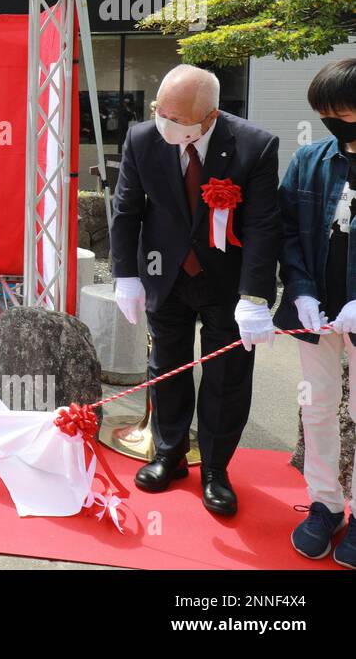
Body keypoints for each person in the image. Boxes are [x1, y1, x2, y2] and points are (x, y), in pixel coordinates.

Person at [110, 64, 281, 517]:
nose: (165, 123)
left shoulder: (255, 146)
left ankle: (216, 469)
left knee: (226, 376)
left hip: (227, 282)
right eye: (160, 112)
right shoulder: (142, 138)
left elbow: (263, 225)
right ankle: (168, 453)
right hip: (165, 273)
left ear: (210, 117)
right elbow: (126, 209)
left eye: (178, 119)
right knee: (167, 366)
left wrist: (255, 296)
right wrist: (125, 275)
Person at [273, 59, 356, 567]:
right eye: (324, 114)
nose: (332, 122)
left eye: (340, 113)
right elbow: (286, 230)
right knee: (318, 405)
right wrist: (300, 291)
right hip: (317, 312)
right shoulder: (309, 159)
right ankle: (325, 503)